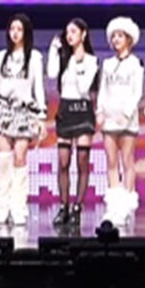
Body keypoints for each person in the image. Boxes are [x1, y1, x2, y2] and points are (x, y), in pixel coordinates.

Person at [0, 14, 46, 229]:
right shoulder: (1, 57)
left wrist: (41, 115)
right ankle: (2, 206)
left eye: (19, 29)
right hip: (4, 112)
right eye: (12, 29)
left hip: (25, 112)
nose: (15, 33)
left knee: (20, 157)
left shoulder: (34, 57)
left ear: (26, 32)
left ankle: (19, 206)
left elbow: (38, 88)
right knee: (4, 159)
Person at [48, 19, 100, 229]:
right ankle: (64, 207)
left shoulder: (92, 61)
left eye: (73, 31)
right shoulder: (63, 58)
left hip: (83, 110)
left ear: (83, 34)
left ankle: (78, 207)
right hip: (65, 110)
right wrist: (54, 50)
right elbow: (52, 74)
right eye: (67, 32)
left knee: (82, 161)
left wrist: (78, 63)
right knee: (63, 162)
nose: (69, 35)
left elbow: (84, 87)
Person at [96, 18, 145, 230]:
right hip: (109, 119)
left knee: (127, 160)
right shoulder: (107, 64)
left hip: (127, 120)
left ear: (128, 39)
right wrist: (99, 111)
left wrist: (126, 114)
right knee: (111, 161)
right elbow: (102, 90)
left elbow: (137, 92)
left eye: (120, 36)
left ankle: (125, 205)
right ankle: (114, 206)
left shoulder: (136, 63)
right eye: (114, 36)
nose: (116, 39)